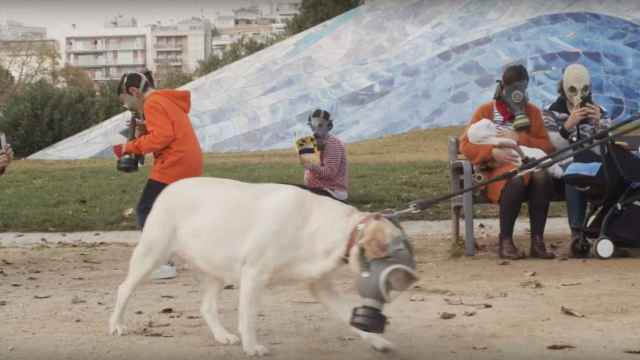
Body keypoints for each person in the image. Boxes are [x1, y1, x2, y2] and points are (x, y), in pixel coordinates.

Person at [113, 70, 204, 279]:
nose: (128, 107)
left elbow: (162, 137)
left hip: (174, 163)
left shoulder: (152, 103)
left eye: (126, 102)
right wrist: (146, 129)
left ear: (134, 92)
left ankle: (161, 263)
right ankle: (210, 259)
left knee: (147, 208)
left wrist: (129, 147)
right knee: (180, 215)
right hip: (189, 161)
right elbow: (166, 130)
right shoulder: (166, 100)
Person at [459, 64, 556, 260]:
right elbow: (466, 145)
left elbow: (546, 147)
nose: (517, 95)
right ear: (502, 87)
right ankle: (505, 242)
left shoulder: (532, 112)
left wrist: (520, 138)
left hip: (529, 167)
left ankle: (537, 242)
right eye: (513, 90)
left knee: (542, 176)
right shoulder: (485, 111)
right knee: (516, 178)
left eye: (522, 90)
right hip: (498, 173)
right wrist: (492, 152)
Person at [543, 64, 611, 246]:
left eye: (584, 89)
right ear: (564, 89)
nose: (579, 94)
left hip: (595, 164)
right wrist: (568, 126)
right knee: (575, 172)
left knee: (611, 174)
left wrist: (599, 125)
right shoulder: (550, 113)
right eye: (573, 89)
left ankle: (609, 229)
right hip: (565, 164)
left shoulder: (600, 112)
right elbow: (552, 148)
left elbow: (606, 148)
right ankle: (577, 232)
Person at [298, 109, 348, 201]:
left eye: (320, 126)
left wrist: (311, 166)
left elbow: (329, 173)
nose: (315, 130)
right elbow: (309, 171)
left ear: (329, 127)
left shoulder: (332, 144)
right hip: (317, 188)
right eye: (312, 126)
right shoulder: (309, 142)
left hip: (332, 190)